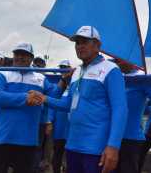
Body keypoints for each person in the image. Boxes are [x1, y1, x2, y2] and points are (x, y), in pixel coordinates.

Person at [32, 26, 128, 173]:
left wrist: (113, 146)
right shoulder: (76, 72)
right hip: (73, 145)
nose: (80, 46)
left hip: (97, 149)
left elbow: (120, 109)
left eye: (84, 42)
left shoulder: (111, 69)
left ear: (97, 45)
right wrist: (45, 98)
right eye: (77, 43)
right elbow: (69, 104)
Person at [0, 42, 69, 173]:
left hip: (28, 139)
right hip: (3, 137)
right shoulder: (2, 74)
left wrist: (64, 80)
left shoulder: (40, 78)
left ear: (31, 58)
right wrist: (25, 98)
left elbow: (54, 95)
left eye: (25, 55)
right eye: (17, 54)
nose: (20, 57)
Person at [112, 59, 151, 173]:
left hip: (131, 138)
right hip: (113, 136)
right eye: (115, 62)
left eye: (119, 61)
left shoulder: (142, 78)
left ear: (129, 61)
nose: (117, 64)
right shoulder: (116, 78)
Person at [49, 60, 72, 173]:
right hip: (59, 129)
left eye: (65, 67)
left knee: (69, 156)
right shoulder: (56, 87)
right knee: (57, 153)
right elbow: (52, 106)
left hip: (71, 130)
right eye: (61, 67)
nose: (63, 69)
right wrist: (50, 120)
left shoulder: (74, 87)